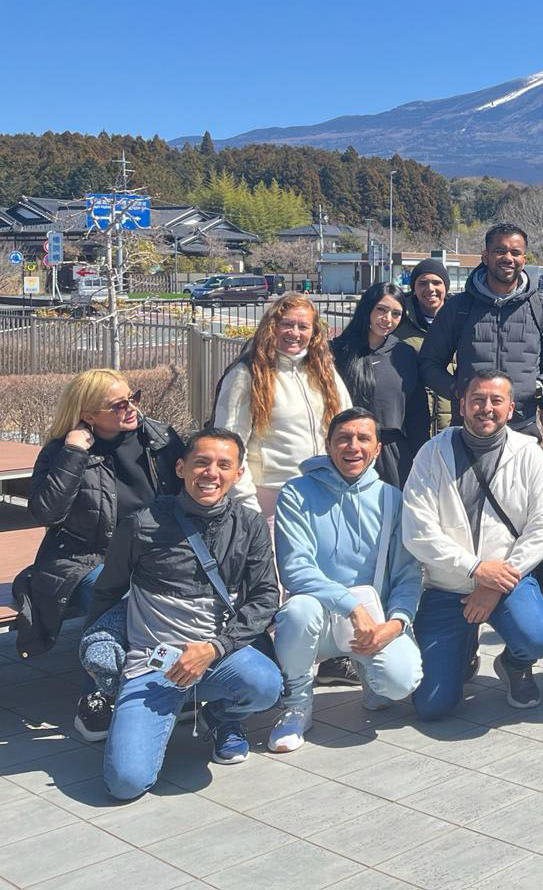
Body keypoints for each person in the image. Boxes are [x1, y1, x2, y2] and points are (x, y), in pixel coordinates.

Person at [91, 428, 282, 799]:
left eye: (224, 465)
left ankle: (220, 718)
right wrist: (96, 675)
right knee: (126, 783)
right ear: (181, 467)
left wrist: (215, 648)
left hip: (217, 655)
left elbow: (264, 597)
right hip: (152, 664)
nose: (211, 472)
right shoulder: (141, 523)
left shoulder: (249, 525)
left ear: (238, 473)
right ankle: (151, 716)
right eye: (201, 462)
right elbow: (108, 591)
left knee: (266, 685)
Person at [18, 370, 183, 743]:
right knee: (114, 593)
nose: (131, 408)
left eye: (133, 397)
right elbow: (46, 513)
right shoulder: (62, 450)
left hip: (155, 552)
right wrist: (75, 452)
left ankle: (168, 682)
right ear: (89, 414)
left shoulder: (157, 438)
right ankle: (102, 693)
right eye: (118, 404)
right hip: (83, 559)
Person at [402, 369, 543, 720]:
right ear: (461, 405)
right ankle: (463, 650)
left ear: (511, 409)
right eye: (477, 399)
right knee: (432, 706)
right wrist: (474, 569)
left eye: (496, 401)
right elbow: (417, 531)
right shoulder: (431, 454)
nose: (485, 408)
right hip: (447, 585)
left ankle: (515, 664)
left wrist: (494, 582)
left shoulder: (529, 455)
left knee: (537, 638)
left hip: (508, 580)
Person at [269, 409, 423, 751]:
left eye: (363, 438)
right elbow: (296, 568)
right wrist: (351, 607)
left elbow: (407, 575)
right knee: (297, 611)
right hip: (320, 619)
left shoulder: (391, 500)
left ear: (378, 448)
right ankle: (296, 703)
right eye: (343, 438)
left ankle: (371, 676)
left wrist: (396, 624)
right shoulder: (296, 493)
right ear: (328, 445)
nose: (353, 447)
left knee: (401, 681)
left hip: (373, 622)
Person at [418, 223, 543, 435]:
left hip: (522, 426)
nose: (508, 258)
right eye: (500, 251)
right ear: (485, 256)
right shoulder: (459, 308)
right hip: (468, 426)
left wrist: (539, 386)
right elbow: (429, 363)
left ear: (524, 259)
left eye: (515, 252)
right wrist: (457, 390)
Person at [213, 292, 352, 520]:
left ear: (314, 332)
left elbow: (347, 426)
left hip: (323, 492)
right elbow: (228, 445)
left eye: (303, 326)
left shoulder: (324, 372)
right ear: (272, 327)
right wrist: (247, 502)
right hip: (269, 497)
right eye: (287, 324)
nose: (295, 333)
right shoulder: (247, 375)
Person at [331, 281, 431, 488]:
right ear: (367, 308)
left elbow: (417, 413)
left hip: (393, 454)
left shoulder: (404, 354)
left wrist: (421, 457)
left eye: (396, 314)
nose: (388, 319)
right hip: (347, 450)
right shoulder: (336, 352)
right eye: (381, 310)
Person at [395, 257, 453, 437]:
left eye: (437, 282)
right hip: (411, 422)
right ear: (414, 287)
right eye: (423, 283)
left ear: (446, 287)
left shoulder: (461, 320)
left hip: (455, 422)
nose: (430, 289)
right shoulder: (398, 322)